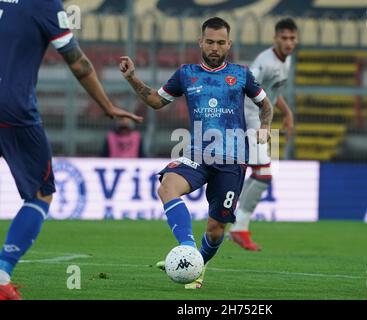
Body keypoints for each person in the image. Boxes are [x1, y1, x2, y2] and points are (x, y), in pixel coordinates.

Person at [0, 0, 142, 300]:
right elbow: (79, 63)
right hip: (11, 110)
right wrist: (107, 106)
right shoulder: (43, 4)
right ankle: (1, 276)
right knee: (40, 193)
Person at [120, 16, 273, 289]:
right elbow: (156, 101)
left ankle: (198, 265)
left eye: (221, 42)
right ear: (201, 41)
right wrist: (132, 78)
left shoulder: (241, 74)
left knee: (216, 231)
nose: (215, 47)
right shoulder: (186, 74)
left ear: (229, 44)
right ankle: (188, 250)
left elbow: (266, 106)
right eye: (210, 42)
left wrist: (265, 127)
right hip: (197, 155)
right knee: (167, 186)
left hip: (232, 159)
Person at [228, 18, 297, 251]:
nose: (288, 42)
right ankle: (238, 227)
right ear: (275, 39)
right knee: (263, 174)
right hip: (250, 121)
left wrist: (287, 113)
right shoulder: (264, 62)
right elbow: (247, 85)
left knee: (258, 173)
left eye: (292, 38)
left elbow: (272, 93)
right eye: (284, 38)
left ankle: (235, 223)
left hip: (259, 121)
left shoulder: (285, 61)